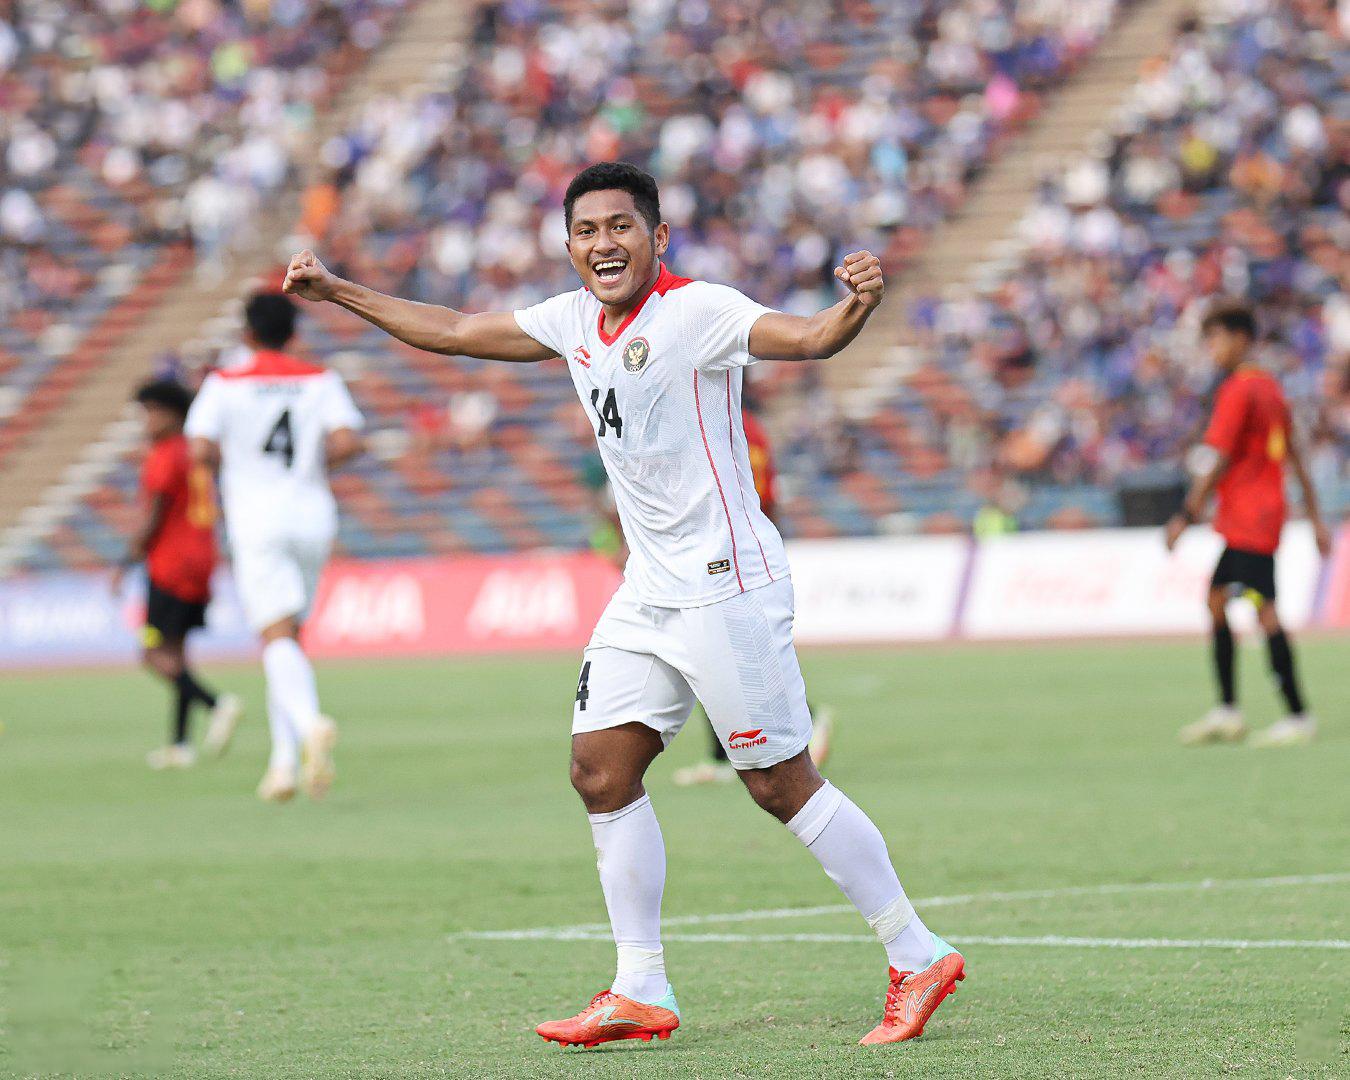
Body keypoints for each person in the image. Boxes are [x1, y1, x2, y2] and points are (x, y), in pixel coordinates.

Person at [282, 161, 964, 1048]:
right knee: (600, 770)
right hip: (649, 587)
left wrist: (855, 308)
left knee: (777, 784)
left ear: (657, 237)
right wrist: (336, 290)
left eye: (621, 227)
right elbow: (451, 329)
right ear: (569, 245)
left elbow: (803, 338)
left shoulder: (698, 311)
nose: (604, 244)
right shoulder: (571, 321)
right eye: (587, 231)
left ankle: (915, 953)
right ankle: (639, 986)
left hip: (727, 581)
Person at [184, 291, 364, 801]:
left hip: (258, 516)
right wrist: (307, 461)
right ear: (294, 333)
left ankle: (309, 726)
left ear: (247, 333)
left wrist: (238, 459)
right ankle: (283, 764)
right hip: (312, 513)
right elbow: (350, 439)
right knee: (285, 638)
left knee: (275, 635)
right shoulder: (320, 379)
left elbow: (198, 446)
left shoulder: (225, 383)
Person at [1165, 300, 1332, 748]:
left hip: (1249, 519)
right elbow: (1294, 452)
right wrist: (1315, 518)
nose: (1212, 348)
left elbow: (1217, 455)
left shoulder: (1239, 390)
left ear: (1240, 338)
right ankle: (1229, 711)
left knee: (1263, 608)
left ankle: (1297, 715)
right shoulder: (1271, 389)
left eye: (1216, 338)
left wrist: (1186, 512)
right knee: (1219, 599)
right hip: (1258, 516)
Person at [673, 397, 833, 786]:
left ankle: (792, 727)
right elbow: (767, 488)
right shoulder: (749, 426)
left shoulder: (700, 420)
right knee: (728, 647)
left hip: (717, 546)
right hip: (748, 540)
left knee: (708, 646)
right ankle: (758, 741)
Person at [121, 379, 242, 770]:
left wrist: (124, 563)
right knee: (177, 653)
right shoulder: (195, 451)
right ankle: (179, 745)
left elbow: (154, 515)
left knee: (153, 653)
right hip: (201, 561)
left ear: (172, 414)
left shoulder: (164, 454)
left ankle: (216, 703)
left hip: (170, 566)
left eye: (151, 412)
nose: (147, 421)